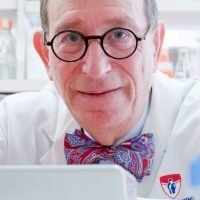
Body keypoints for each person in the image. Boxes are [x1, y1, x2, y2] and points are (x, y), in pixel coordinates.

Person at [0, 0, 200, 199]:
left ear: (155, 47)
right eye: (72, 37)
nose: (96, 69)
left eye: (119, 34)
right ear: (46, 57)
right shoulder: (11, 130)